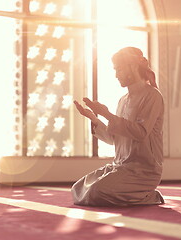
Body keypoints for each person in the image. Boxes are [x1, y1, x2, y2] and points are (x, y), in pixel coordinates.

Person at [71, 47, 164, 206]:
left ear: (133, 67)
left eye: (119, 69)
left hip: (142, 171)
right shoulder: (123, 100)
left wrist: (107, 115)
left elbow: (141, 133)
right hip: (120, 167)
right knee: (78, 188)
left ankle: (148, 195)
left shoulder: (152, 95)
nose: (116, 75)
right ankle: (135, 193)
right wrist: (94, 118)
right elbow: (115, 139)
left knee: (95, 191)